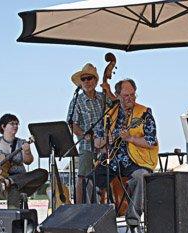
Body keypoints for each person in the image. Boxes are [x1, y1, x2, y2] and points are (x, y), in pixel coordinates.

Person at [90, 79, 159, 233]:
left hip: (136, 161)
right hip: (112, 161)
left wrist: (130, 138)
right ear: (117, 95)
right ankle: (93, 222)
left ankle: (133, 222)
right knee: (89, 180)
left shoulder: (144, 113)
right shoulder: (109, 114)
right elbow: (97, 142)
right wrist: (108, 139)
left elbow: (151, 141)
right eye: (126, 95)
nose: (130, 98)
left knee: (141, 177)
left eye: (133, 95)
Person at [0, 113, 48, 209]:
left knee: (43, 173)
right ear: (3, 126)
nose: (15, 126)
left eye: (17, 124)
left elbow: (28, 162)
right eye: (12, 123)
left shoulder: (22, 143)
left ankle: (10, 181)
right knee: (15, 189)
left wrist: (27, 152)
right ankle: (17, 222)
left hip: (21, 181)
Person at [67, 63, 115, 204]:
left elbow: (118, 109)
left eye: (89, 78)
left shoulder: (103, 97)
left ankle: (106, 207)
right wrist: (86, 136)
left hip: (106, 144)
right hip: (87, 145)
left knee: (107, 176)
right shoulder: (78, 100)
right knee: (83, 177)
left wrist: (110, 92)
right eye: (84, 79)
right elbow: (71, 124)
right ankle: (79, 208)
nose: (87, 81)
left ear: (95, 80)